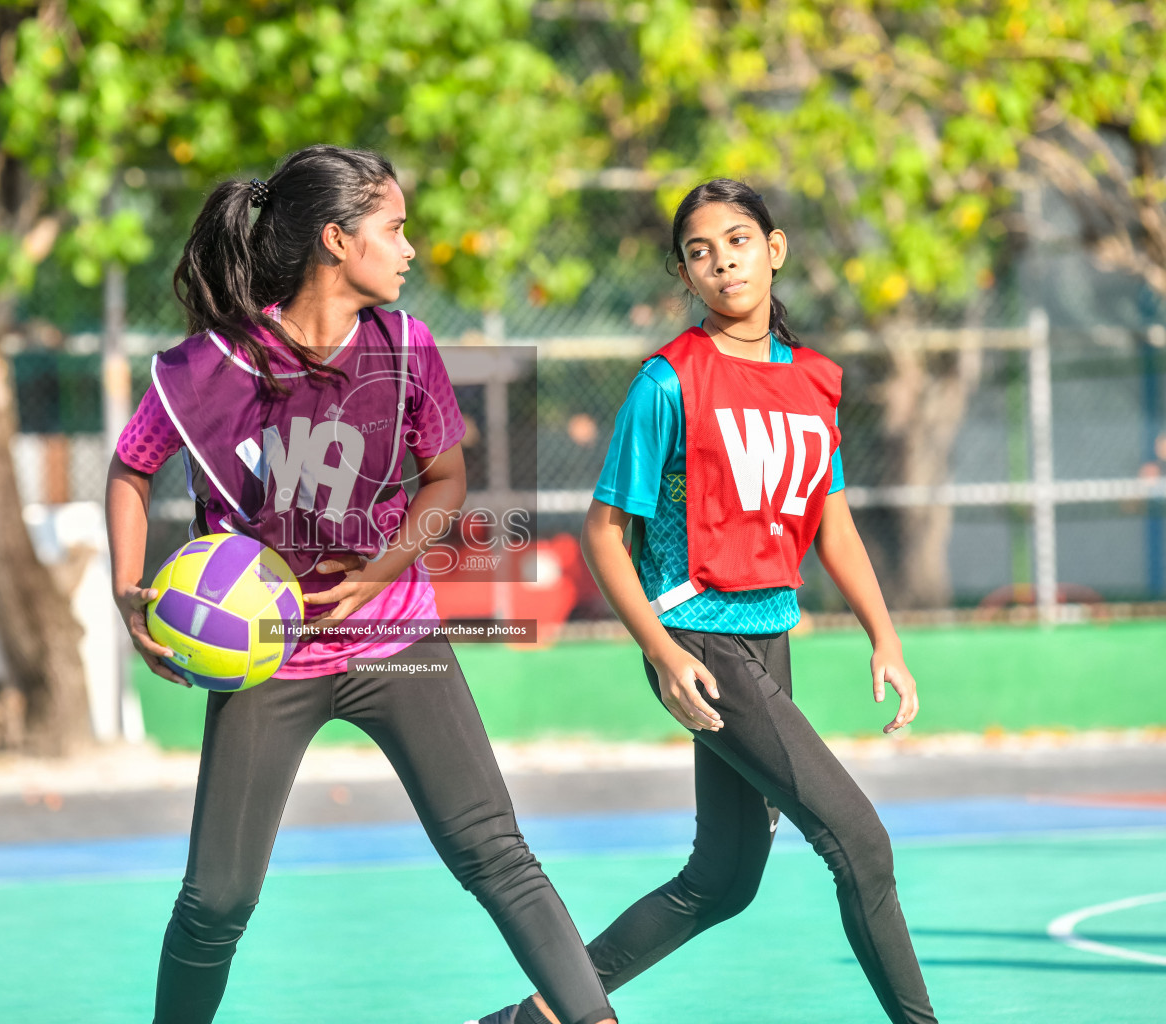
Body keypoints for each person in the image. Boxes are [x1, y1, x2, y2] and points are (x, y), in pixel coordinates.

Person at [105, 144, 617, 1024]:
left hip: (398, 640)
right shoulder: (213, 367)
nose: (411, 247)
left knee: (496, 853)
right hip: (271, 659)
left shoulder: (408, 348)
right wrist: (126, 589)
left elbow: (446, 480)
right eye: (396, 228)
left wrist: (380, 569)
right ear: (337, 241)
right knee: (217, 901)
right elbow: (131, 467)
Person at [474, 179, 938, 1024]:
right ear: (685, 276)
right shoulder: (668, 382)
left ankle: (532, 1018)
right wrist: (662, 650)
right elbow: (604, 534)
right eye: (699, 250)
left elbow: (831, 520)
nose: (722, 259)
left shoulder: (811, 383)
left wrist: (886, 636)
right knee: (859, 843)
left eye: (736, 239)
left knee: (722, 880)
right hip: (698, 641)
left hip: (768, 637)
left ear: (775, 248)